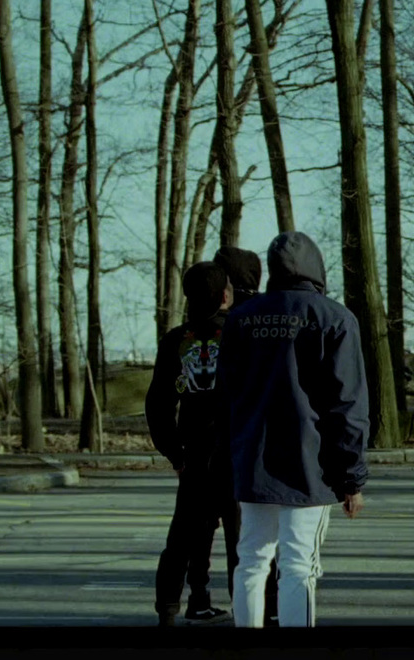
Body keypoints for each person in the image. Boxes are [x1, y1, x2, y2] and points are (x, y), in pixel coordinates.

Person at [221, 231, 370, 628]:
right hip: (311, 465)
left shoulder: (240, 319)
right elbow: (347, 405)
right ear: (315, 266)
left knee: (250, 558)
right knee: (298, 564)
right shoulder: (334, 318)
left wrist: (230, 460)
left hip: (252, 457)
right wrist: (351, 479)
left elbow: (226, 397)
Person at [146, 261, 236, 626]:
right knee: (241, 537)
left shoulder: (175, 340)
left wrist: (172, 451)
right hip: (234, 451)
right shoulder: (240, 335)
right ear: (226, 295)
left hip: (194, 452)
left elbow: (158, 403)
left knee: (185, 532)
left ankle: (173, 605)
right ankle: (250, 608)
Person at [210, 244, 279, 626]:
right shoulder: (275, 315)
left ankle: (248, 611)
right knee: (278, 536)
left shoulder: (231, 324)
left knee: (244, 542)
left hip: (234, 443)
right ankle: (275, 606)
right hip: (276, 438)